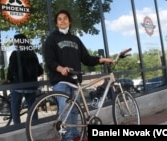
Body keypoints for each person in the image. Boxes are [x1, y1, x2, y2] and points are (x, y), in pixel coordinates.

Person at [43, 10, 114, 141]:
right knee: (65, 109)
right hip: (60, 80)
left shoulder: (75, 39)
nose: (62, 20)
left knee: (75, 110)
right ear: (56, 23)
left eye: (65, 18)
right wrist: (60, 68)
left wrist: (102, 60)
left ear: (69, 22)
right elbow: (49, 60)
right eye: (59, 19)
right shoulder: (52, 39)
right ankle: (67, 138)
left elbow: (86, 58)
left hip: (75, 80)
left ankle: (76, 134)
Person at [8, 33, 43, 124]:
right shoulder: (32, 54)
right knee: (32, 106)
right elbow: (39, 70)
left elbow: (11, 69)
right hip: (31, 86)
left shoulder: (15, 54)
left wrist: (9, 79)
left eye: (15, 41)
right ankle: (34, 125)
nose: (14, 43)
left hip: (18, 85)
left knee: (15, 106)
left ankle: (17, 126)